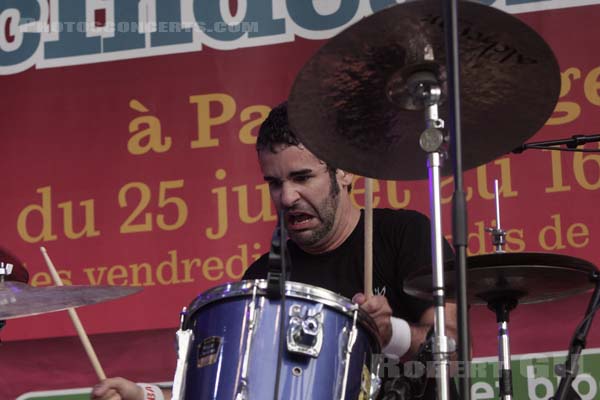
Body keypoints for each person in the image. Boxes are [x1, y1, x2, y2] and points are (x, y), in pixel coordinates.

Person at [91, 102, 458, 400]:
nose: (286, 197)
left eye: (302, 178)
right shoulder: (264, 279)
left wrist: (390, 332)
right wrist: (146, 395)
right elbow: (234, 390)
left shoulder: (405, 234)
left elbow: (455, 348)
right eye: (274, 183)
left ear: (344, 172)